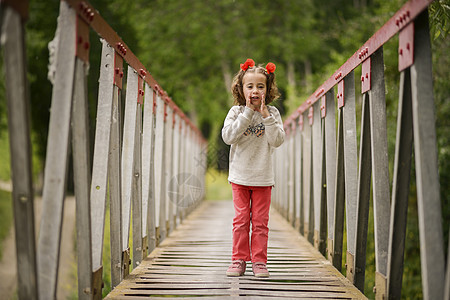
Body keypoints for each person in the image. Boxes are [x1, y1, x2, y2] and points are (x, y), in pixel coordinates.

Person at [222, 58, 285, 278]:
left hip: (263, 178)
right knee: (241, 221)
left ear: (267, 90)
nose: (255, 90)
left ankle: (259, 261)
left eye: (260, 86)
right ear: (241, 89)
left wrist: (265, 116)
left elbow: (277, 140)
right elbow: (228, 137)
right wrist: (248, 112)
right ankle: (238, 260)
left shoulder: (273, 114)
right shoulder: (236, 112)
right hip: (240, 176)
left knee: (260, 223)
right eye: (250, 86)